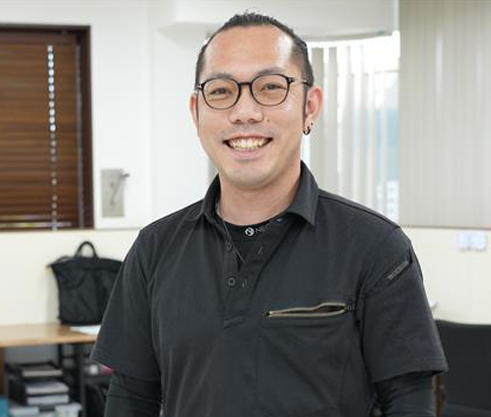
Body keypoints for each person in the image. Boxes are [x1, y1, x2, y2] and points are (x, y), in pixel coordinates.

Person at [92, 12, 448, 417]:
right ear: (196, 112)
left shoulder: (375, 247)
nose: (245, 112)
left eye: (270, 87)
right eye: (221, 91)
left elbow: (410, 400)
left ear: (310, 107)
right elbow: (131, 397)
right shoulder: (155, 249)